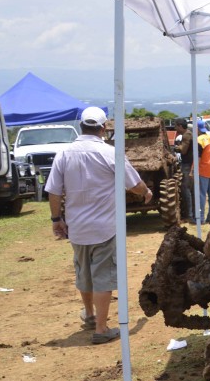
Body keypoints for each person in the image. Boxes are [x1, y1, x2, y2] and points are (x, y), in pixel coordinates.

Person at [44, 107, 153, 344]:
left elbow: (53, 191)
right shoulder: (110, 153)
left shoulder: (64, 153)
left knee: (84, 272)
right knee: (103, 276)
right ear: (104, 128)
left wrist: (56, 220)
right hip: (105, 227)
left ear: (80, 126)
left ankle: (91, 316)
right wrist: (146, 192)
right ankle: (101, 329)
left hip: (77, 227)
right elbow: (134, 183)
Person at [195, 118, 210, 223]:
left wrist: (193, 170)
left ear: (197, 129)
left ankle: (201, 218)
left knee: (201, 195)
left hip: (203, 170)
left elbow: (198, 158)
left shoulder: (199, 140)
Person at [173, 118, 195, 221]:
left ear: (180, 126)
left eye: (176, 126)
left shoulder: (186, 135)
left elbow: (184, 150)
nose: (175, 128)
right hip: (190, 164)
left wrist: (175, 148)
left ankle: (189, 215)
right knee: (190, 189)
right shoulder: (189, 134)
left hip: (187, 165)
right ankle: (192, 213)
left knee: (186, 189)